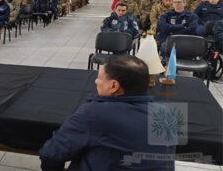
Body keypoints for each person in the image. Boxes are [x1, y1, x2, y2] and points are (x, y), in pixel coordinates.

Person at [39, 55, 176, 170]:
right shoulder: (167, 114)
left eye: (99, 77)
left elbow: (51, 155)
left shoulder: (93, 113)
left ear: (114, 86)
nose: (96, 81)